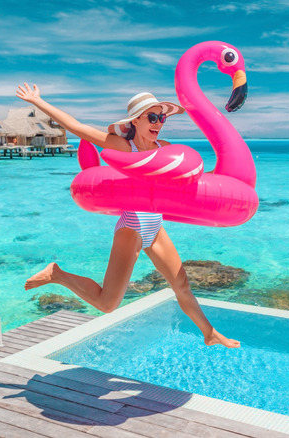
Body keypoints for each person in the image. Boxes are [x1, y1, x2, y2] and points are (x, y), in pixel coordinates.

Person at [16, 83, 239, 348]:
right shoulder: (122, 146)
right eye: (152, 117)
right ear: (136, 119)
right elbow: (77, 127)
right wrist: (38, 102)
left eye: (162, 117)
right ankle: (57, 274)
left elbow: (189, 180)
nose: (159, 123)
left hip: (155, 226)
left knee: (182, 283)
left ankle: (209, 332)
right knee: (107, 303)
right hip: (131, 227)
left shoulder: (164, 147)